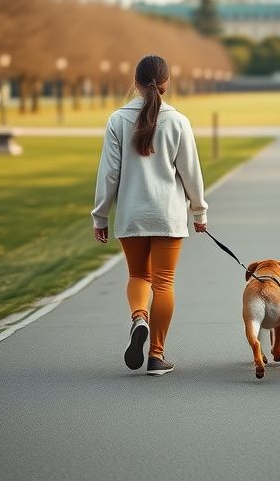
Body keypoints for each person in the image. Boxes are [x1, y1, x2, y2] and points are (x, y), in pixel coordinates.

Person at [92, 54, 208, 376]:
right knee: (164, 282)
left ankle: (138, 317)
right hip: (167, 216)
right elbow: (190, 173)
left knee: (138, 276)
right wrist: (199, 211)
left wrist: (100, 216)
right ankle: (156, 356)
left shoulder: (117, 120)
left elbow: (109, 175)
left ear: (137, 82)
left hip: (132, 215)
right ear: (167, 82)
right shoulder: (179, 121)